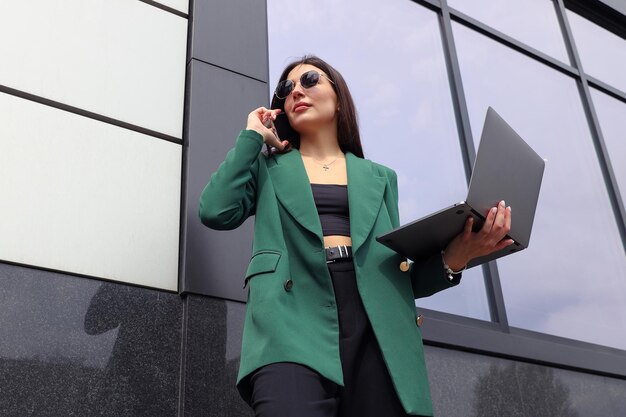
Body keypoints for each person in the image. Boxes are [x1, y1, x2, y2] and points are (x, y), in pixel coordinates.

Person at [199, 56, 512, 417]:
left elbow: (391, 275)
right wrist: (253, 135)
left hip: (375, 330)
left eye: (310, 80)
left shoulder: (380, 178)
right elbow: (215, 210)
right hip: (289, 323)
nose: (295, 91)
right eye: (285, 89)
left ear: (338, 97)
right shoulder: (267, 167)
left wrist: (458, 255)